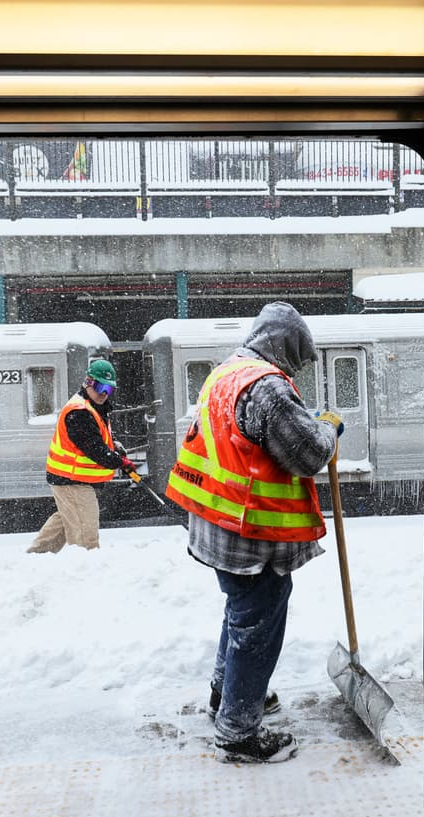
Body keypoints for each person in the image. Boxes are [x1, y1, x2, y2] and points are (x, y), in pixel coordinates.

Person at [166, 301, 343, 764]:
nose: (296, 370)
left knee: (242, 613)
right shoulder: (266, 388)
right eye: (297, 359)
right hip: (250, 533)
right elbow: (307, 453)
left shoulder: (227, 372)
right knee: (258, 623)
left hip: (217, 524)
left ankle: (226, 695)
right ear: (285, 347)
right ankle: (239, 732)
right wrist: (327, 427)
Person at [26, 358, 134, 554]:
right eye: (101, 386)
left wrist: (115, 448)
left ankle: (34, 557)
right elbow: (93, 448)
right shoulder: (79, 412)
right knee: (86, 538)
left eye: (109, 390)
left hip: (72, 478)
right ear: (88, 383)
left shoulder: (93, 408)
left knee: (67, 519)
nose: (104, 393)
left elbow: (99, 441)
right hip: (71, 480)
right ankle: (86, 568)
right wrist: (119, 462)